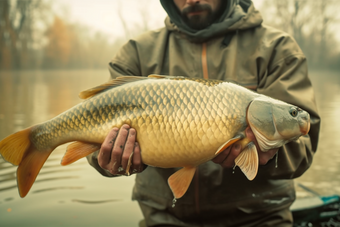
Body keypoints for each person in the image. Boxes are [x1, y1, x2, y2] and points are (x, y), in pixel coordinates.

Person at [87, 0, 320, 226]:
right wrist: (108, 159)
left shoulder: (278, 48)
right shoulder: (136, 53)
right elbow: (94, 137)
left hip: (260, 217)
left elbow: (304, 145)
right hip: (165, 218)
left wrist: (270, 154)